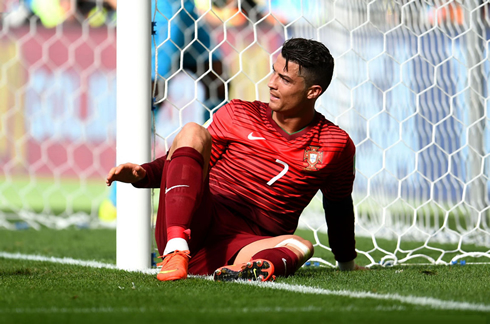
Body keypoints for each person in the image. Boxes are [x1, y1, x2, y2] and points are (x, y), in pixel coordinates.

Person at [106, 38, 363, 282]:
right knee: (193, 131)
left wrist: (346, 263)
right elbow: (188, 160)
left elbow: (338, 206)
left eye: (284, 79)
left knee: (300, 245)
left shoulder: (335, 145)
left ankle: (245, 270)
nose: (271, 83)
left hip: (247, 244)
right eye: (274, 72)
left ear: (313, 91)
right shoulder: (238, 113)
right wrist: (144, 173)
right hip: (196, 224)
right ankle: (175, 250)